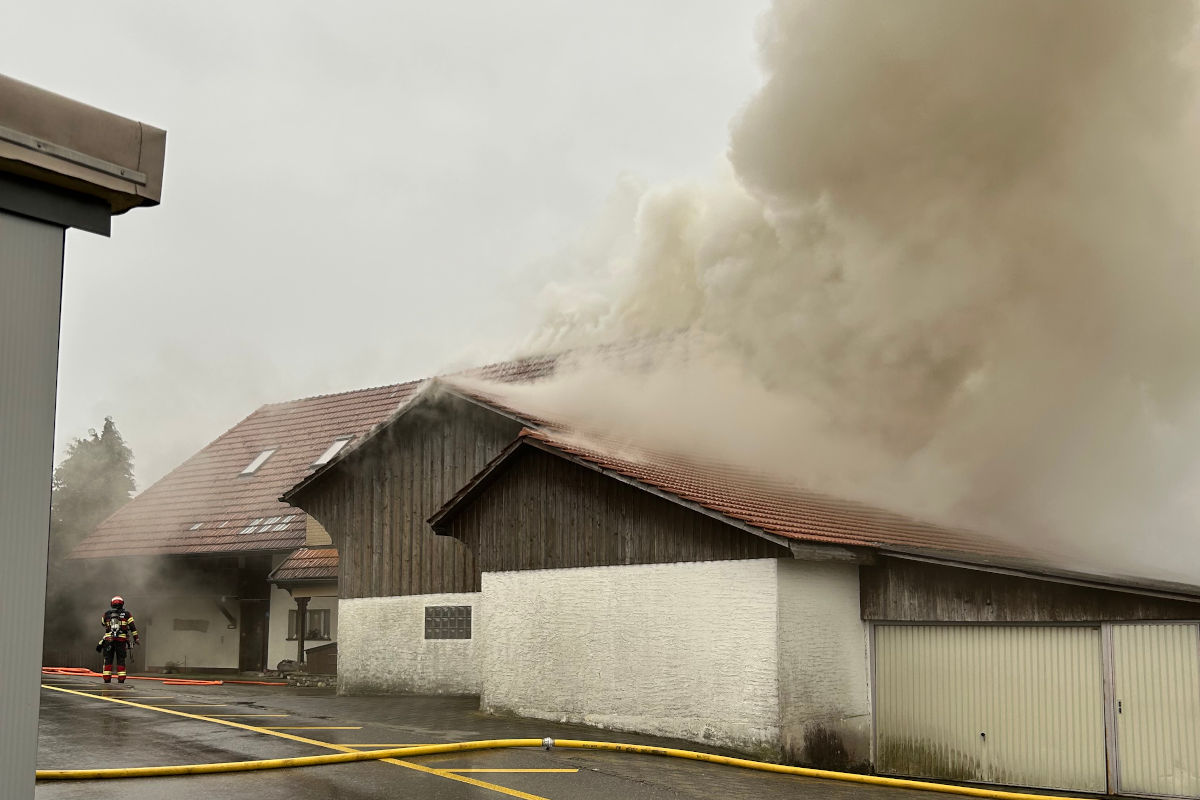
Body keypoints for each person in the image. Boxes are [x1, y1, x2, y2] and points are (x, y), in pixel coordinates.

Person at [96, 595, 138, 683]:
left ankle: (107, 678)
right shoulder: (127, 614)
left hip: (108, 640)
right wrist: (136, 638)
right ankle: (121, 679)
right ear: (122, 604)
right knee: (121, 659)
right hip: (121, 641)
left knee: (108, 659)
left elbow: (103, 623)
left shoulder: (106, 614)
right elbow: (133, 627)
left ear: (111, 604)